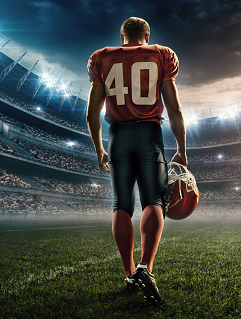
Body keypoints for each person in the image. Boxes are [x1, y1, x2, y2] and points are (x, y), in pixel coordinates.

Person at [86, 16, 187, 302]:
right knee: (154, 201)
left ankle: (130, 273)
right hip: (149, 134)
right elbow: (175, 109)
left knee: (122, 205)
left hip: (117, 136)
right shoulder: (162, 55)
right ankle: (146, 267)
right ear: (147, 33)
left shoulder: (101, 58)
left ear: (122, 36)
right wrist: (182, 147)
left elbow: (92, 113)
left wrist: (99, 149)